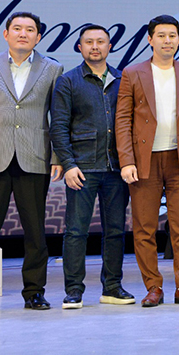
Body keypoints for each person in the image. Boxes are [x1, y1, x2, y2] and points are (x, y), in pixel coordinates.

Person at [0, 11, 63, 315]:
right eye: (17, 28)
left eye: (30, 30)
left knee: (35, 232)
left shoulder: (52, 68)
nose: (23, 33)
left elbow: (58, 118)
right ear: (6, 34)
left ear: (38, 37)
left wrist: (57, 156)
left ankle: (34, 292)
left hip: (34, 158)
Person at [115, 14, 179, 307]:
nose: (167, 40)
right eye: (161, 35)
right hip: (144, 161)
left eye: (172, 35)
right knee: (144, 228)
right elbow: (123, 120)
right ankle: (153, 286)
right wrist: (126, 161)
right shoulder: (132, 73)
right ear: (150, 39)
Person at [50, 24, 134, 309]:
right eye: (89, 42)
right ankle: (74, 290)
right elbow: (59, 126)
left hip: (116, 168)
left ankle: (112, 287)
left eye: (100, 42)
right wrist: (68, 164)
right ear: (80, 47)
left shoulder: (123, 79)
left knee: (115, 231)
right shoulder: (68, 81)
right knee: (76, 231)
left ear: (109, 46)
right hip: (82, 168)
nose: (95, 46)